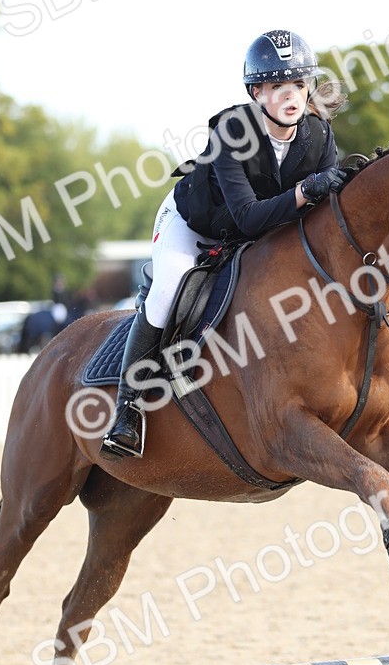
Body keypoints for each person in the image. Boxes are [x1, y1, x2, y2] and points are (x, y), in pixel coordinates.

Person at [101, 29, 347, 459]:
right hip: (194, 223)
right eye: (277, 86)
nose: (291, 96)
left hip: (259, 228)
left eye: (299, 84)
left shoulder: (319, 136)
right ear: (256, 92)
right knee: (169, 286)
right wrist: (307, 191)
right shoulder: (233, 130)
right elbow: (248, 218)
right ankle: (127, 410)